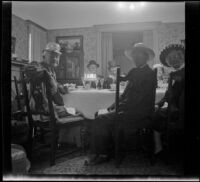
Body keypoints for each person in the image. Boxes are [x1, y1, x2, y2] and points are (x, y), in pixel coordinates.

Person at [85, 43, 156, 165]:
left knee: (100, 119)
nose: (134, 58)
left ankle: (102, 154)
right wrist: (115, 103)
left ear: (145, 56)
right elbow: (126, 93)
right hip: (130, 110)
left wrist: (121, 106)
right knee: (100, 114)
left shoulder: (149, 73)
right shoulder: (135, 71)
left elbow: (140, 98)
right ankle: (106, 150)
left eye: (138, 54)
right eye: (133, 55)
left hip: (139, 113)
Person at [24, 42, 84, 121]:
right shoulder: (37, 65)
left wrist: (60, 86)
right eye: (52, 55)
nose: (55, 58)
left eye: (57, 56)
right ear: (43, 54)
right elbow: (28, 68)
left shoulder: (51, 70)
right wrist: (48, 76)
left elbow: (53, 82)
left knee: (75, 109)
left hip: (50, 107)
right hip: (40, 110)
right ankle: (60, 130)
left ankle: (61, 131)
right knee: (77, 111)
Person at [152, 44, 185, 157]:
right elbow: (168, 95)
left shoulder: (179, 74)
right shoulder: (173, 75)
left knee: (156, 115)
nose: (173, 59)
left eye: (176, 56)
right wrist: (159, 103)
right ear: (168, 62)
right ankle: (162, 146)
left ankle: (159, 148)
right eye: (170, 58)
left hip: (181, 111)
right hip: (174, 108)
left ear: (182, 56)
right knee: (155, 112)